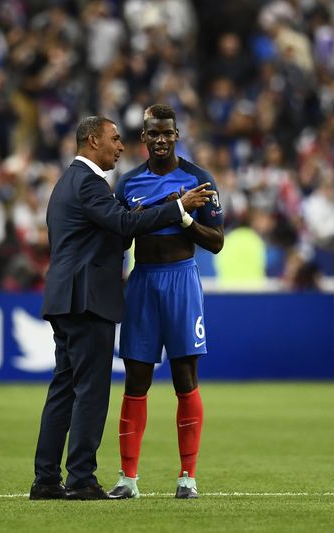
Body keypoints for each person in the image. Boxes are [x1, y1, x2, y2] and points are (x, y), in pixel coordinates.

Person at [30, 116, 215, 501]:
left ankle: (46, 478)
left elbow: (114, 226)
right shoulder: (93, 184)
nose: (120, 146)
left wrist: (166, 206)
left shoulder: (68, 183)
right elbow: (121, 223)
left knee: (64, 388)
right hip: (87, 299)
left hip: (68, 297)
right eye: (114, 139)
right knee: (92, 390)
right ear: (92, 140)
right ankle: (82, 479)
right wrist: (177, 207)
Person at [110, 104, 224, 500]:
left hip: (182, 281)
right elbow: (118, 236)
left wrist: (188, 220)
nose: (160, 140)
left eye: (167, 134)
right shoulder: (127, 184)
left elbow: (217, 242)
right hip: (142, 282)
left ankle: (187, 477)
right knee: (135, 381)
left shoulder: (199, 179)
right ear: (143, 138)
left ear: (177, 135)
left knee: (185, 380)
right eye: (153, 134)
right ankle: (128, 478)